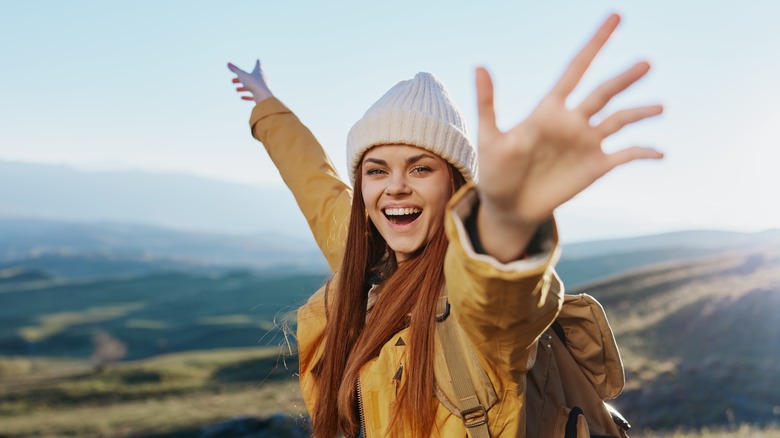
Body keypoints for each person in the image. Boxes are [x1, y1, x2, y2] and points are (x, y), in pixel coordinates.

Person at [228, 13, 662, 438]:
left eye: (420, 168)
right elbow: (316, 185)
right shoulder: (368, 259)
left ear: (455, 185)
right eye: (376, 170)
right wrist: (267, 106)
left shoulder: (473, 313)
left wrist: (507, 218)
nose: (395, 187)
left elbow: (500, 294)